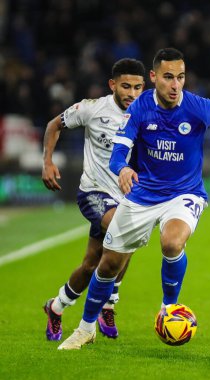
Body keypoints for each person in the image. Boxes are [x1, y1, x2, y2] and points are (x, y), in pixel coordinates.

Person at [58, 47, 210, 350]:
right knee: (108, 265)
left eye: (181, 77)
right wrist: (121, 168)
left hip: (185, 193)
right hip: (143, 194)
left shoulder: (198, 107)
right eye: (168, 77)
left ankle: (169, 308)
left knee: (172, 242)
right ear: (153, 78)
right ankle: (85, 329)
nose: (176, 85)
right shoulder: (140, 108)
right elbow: (119, 150)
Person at [42, 58, 145, 341]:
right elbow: (54, 124)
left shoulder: (148, 113)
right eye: (126, 86)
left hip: (128, 197)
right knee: (123, 230)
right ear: (112, 85)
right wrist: (47, 161)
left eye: (138, 87)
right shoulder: (92, 108)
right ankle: (108, 305)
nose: (132, 94)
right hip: (94, 193)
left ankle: (57, 306)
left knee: (91, 264)